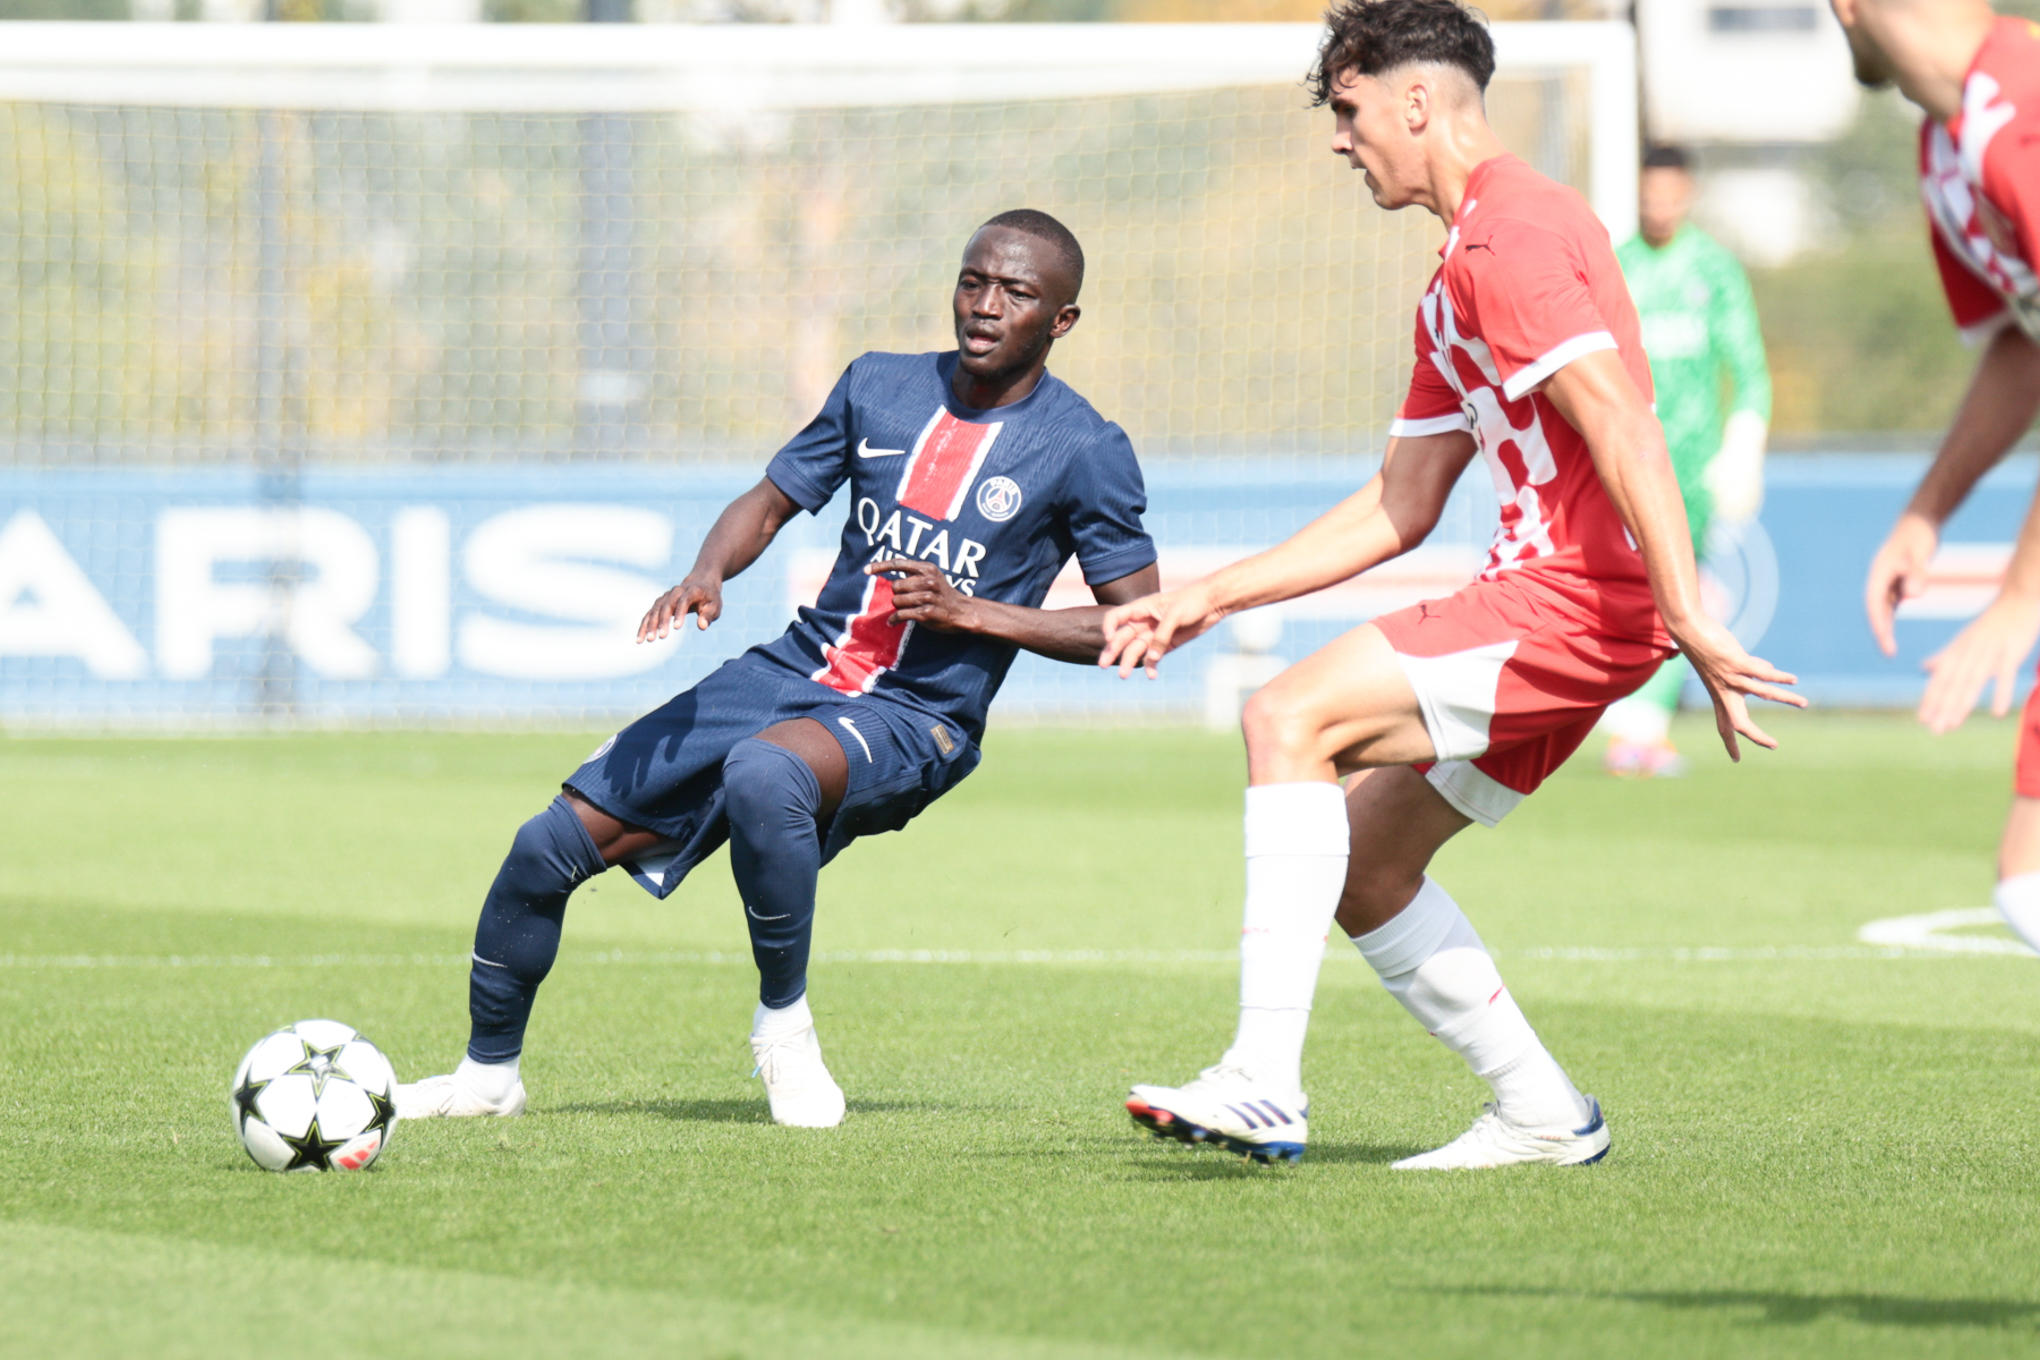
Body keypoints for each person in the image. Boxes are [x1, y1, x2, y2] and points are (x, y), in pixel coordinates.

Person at [1099, 0, 1801, 1169]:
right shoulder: (1459, 268)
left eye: (1350, 106)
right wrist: (1205, 596)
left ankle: (1262, 1080)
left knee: (1286, 717)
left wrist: (1685, 611)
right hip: (1575, 606)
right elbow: (1399, 504)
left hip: (1569, 599)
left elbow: (1626, 420)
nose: (1340, 137)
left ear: (1416, 100)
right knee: (1367, 866)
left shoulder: (1510, 239)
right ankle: (1544, 1112)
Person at [398, 210, 1159, 1128]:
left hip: (920, 712)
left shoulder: (1084, 446)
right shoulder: (878, 387)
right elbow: (769, 502)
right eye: (972, 281)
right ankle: (486, 1079)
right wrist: (707, 573)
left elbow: (1138, 624)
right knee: (543, 848)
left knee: (768, 772)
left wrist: (975, 613)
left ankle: (783, 1028)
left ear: (1062, 321)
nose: (986, 305)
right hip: (793, 669)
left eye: (1016, 292)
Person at [1841, 0, 2040, 950]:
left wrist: (2019, 596)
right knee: (2028, 874)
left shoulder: (2024, 108)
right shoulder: (1945, 147)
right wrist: (1928, 512)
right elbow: (2023, 347)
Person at [1600, 144, 1773, 778]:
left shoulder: (1714, 269)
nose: (1660, 207)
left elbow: (1750, 370)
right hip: (1625, 457)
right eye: (1650, 196)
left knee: (1678, 591)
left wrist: (1742, 447)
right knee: (1640, 588)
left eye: (1670, 195)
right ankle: (1630, 725)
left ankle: (1641, 732)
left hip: (1692, 468)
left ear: (1687, 194)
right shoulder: (1617, 268)